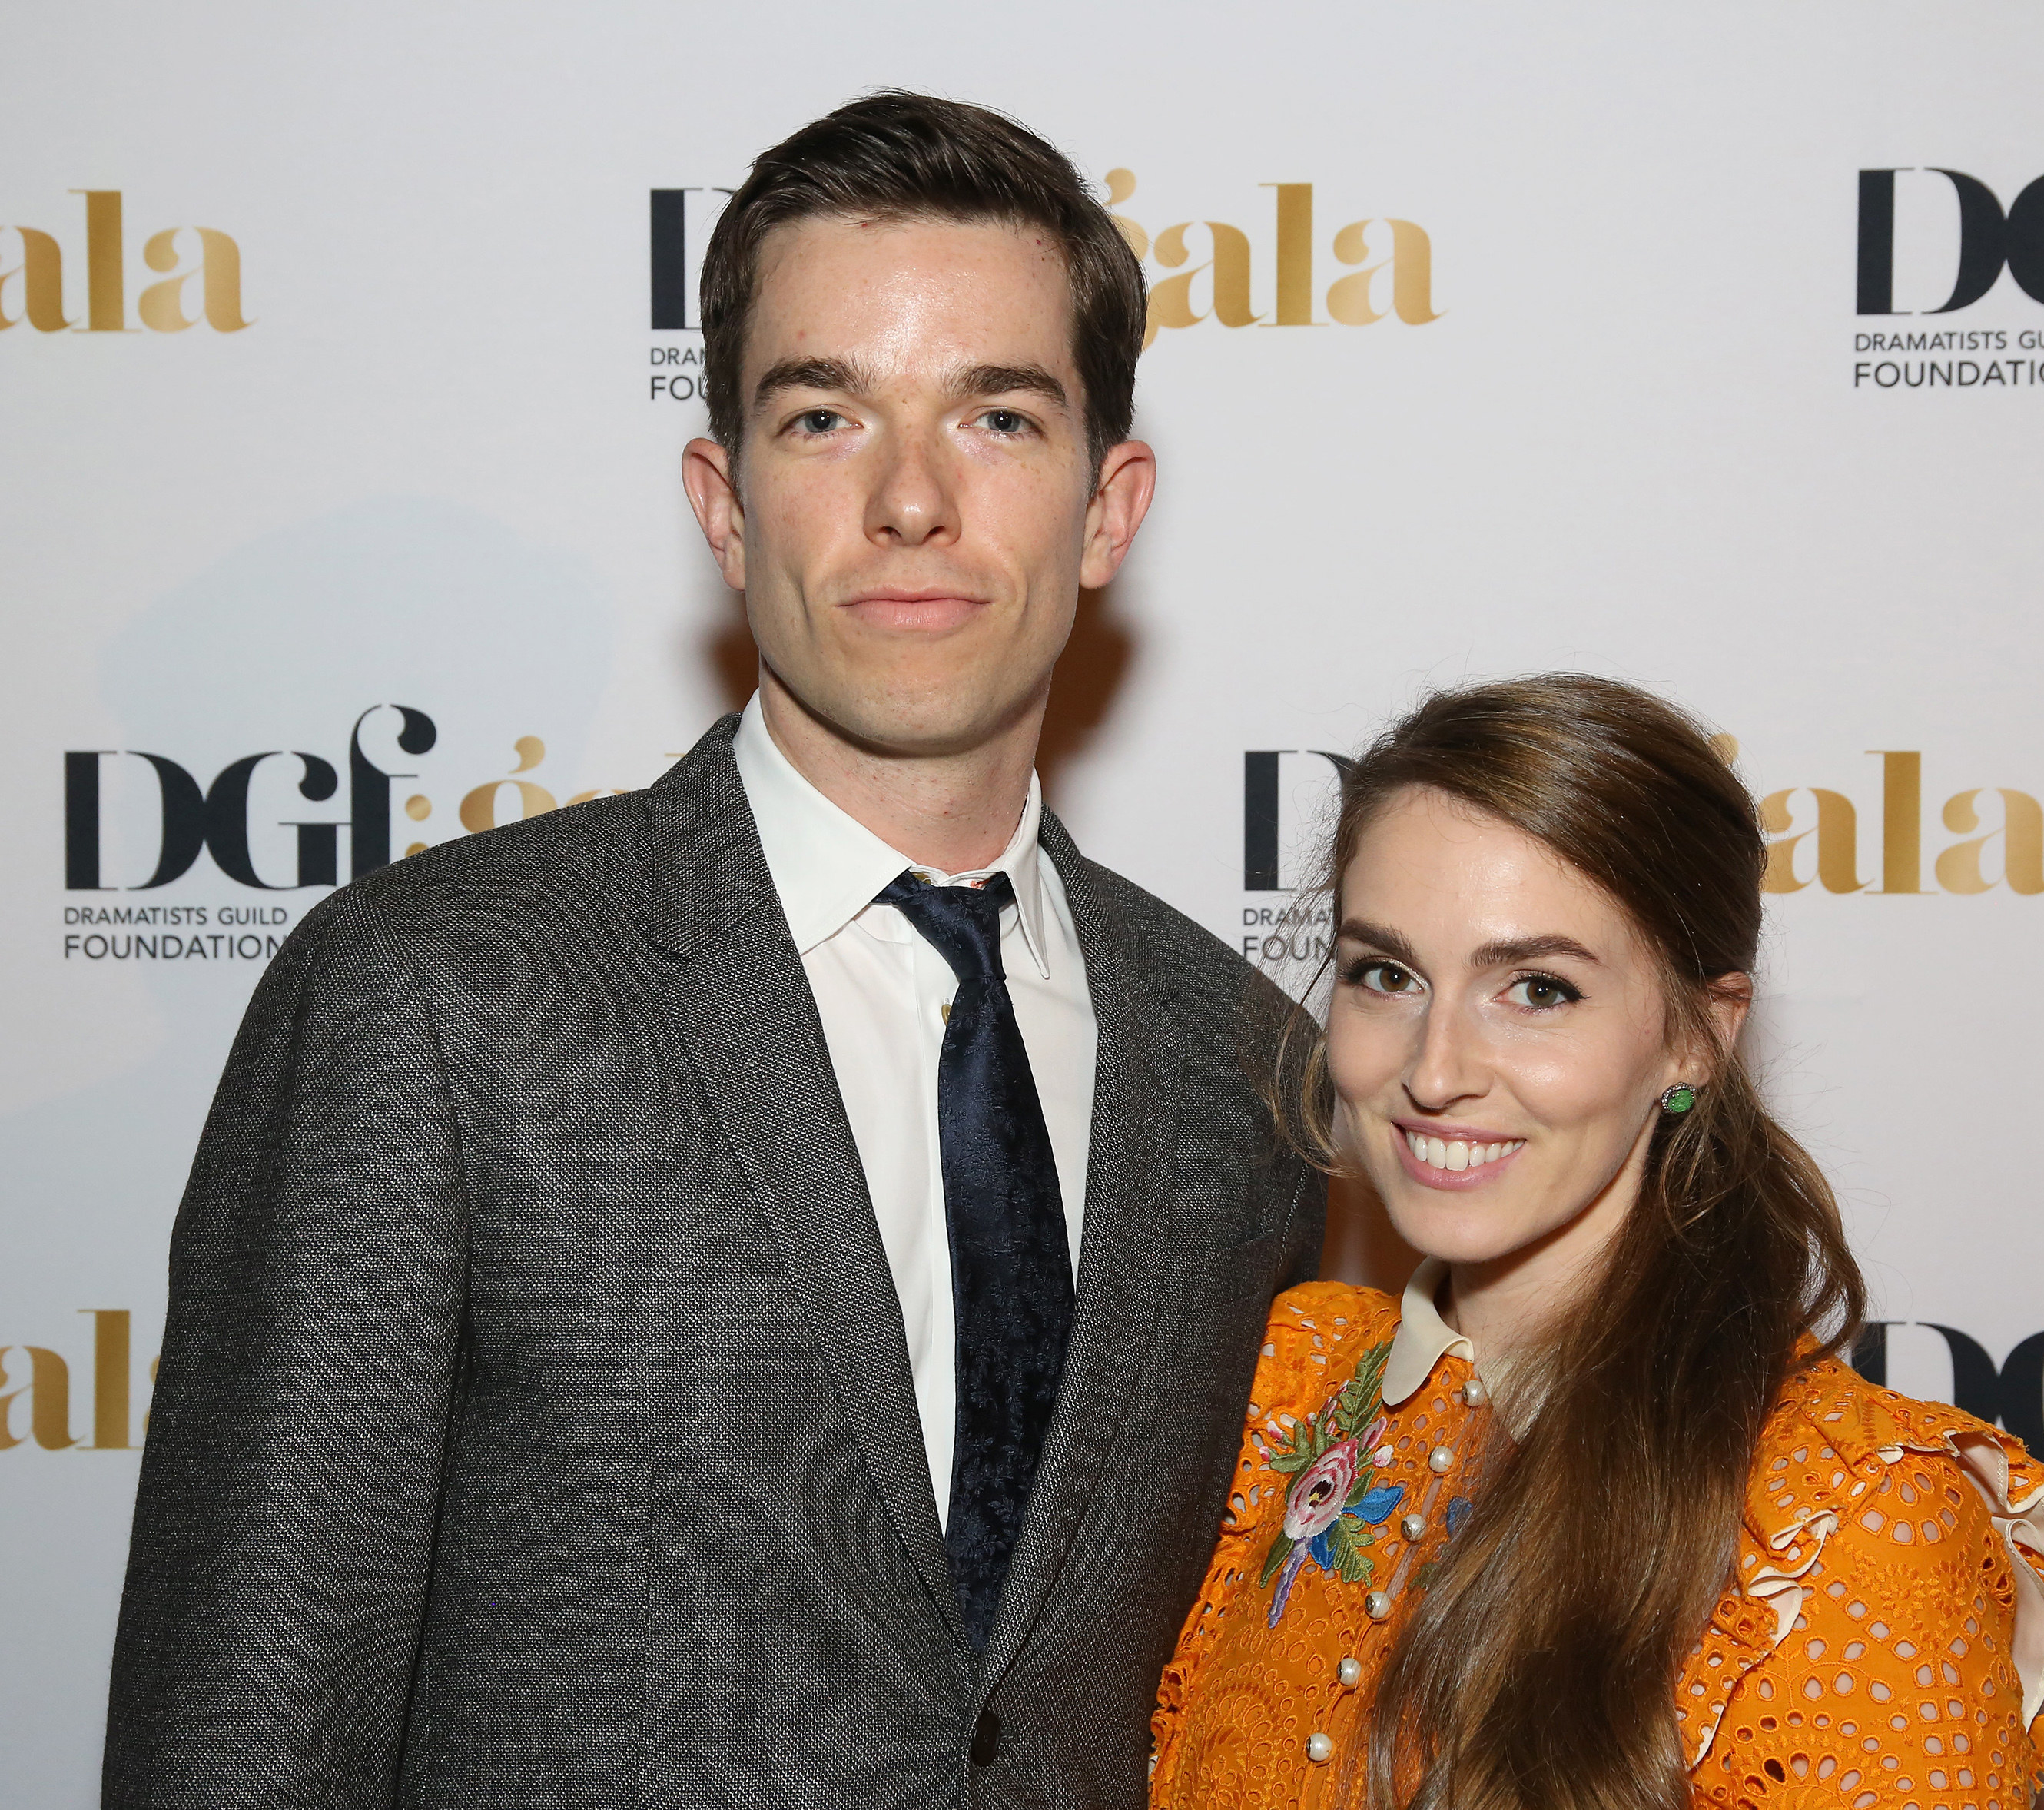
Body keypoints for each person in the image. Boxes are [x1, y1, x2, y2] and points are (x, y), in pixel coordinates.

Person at [105, 92, 1323, 1809]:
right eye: (826, 415)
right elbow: (243, 1734)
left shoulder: (1239, 1063)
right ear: (726, 502)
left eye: (998, 415)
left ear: (1109, 507)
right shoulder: (433, 999)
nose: (912, 498)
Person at [1150, 676, 2044, 1810]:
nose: (1434, 1070)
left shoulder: (1849, 1527)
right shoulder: (1287, 1393)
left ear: (1701, 1035)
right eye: (1385, 976)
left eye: (1537, 990)